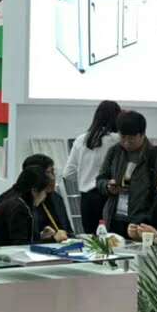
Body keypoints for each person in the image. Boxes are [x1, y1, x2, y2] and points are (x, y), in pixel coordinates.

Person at [94, 110, 157, 238]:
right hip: (114, 218)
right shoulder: (114, 152)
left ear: (142, 134)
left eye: (131, 138)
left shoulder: (155, 157)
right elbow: (100, 179)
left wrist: (149, 217)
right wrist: (107, 186)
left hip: (141, 222)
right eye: (122, 137)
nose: (126, 142)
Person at [63, 100, 121, 234]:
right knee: (112, 240)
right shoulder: (117, 140)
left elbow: (68, 173)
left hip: (87, 199)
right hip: (109, 196)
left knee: (91, 240)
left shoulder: (81, 139)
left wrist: (84, 177)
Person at [0, 157, 49, 246]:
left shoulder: (13, 198)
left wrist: (40, 237)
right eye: (44, 192)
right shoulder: (19, 208)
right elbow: (21, 245)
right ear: (34, 190)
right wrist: (49, 241)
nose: (45, 196)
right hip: (0, 253)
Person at [34, 157, 72, 242]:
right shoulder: (23, 203)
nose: (52, 178)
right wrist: (51, 239)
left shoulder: (57, 198)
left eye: (53, 172)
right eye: (48, 173)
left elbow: (68, 231)